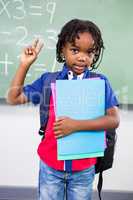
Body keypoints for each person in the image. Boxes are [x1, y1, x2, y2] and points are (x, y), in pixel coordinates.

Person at [7, 19, 120, 200]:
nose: (82, 57)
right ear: (62, 50)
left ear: (95, 54)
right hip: (50, 167)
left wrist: (75, 125)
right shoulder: (49, 81)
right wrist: (24, 64)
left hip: (84, 169)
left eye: (89, 52)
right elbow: (13, 98)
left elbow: (114, 120)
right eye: (75, 50)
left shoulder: (100, 82)